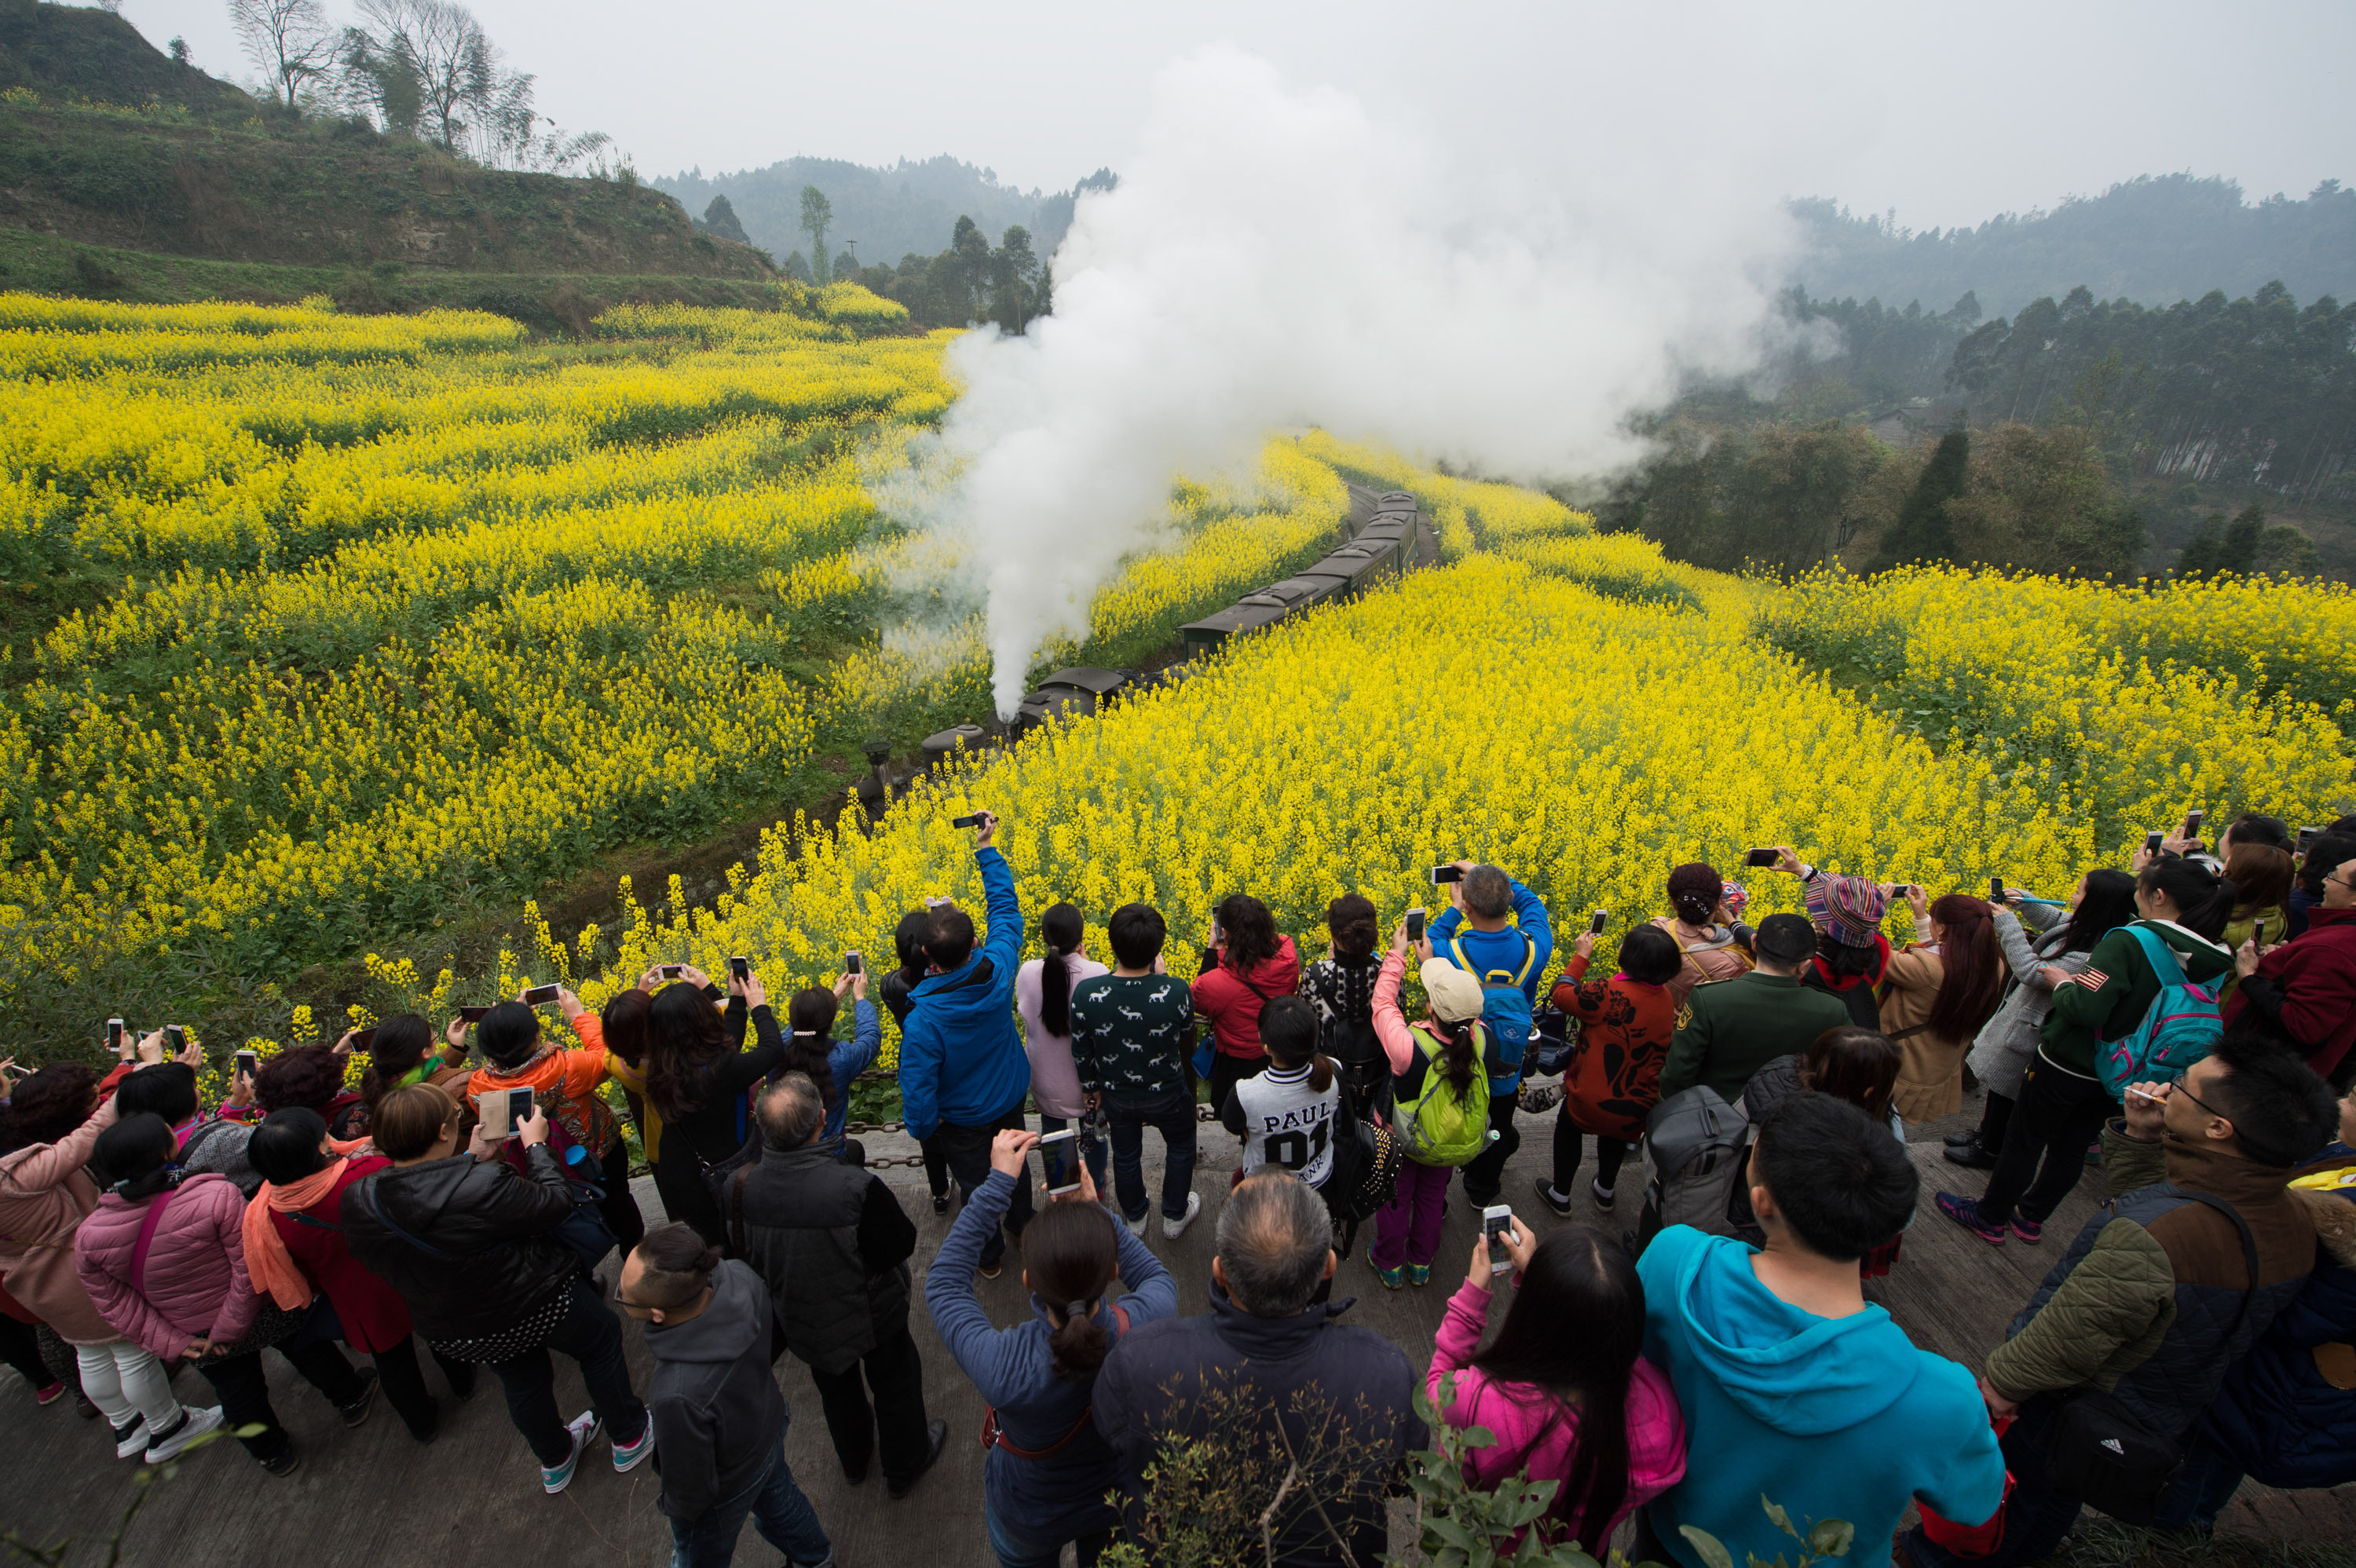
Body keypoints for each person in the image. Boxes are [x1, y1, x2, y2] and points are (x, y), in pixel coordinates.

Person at [1902, 1035, 2340, 1568]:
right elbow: (2171, 1208)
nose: (2168, 1086)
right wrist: (2139, 1137)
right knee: (2061, 1492)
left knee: (1999, 1507)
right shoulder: (2291, 1215)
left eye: (2183, 1085)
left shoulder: (2160, 1237)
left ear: (2218, 1128)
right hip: (2146, 1408)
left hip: (2064, 1401)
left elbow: (2069, 1333)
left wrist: (1997, 1389)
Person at [1640, 1093, 2005, 1568]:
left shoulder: (1675, 1264)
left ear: (1761, 1201)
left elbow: (1631, 1361)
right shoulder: (1942, 1400)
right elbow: (1973, 1508)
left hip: (1672, 1541)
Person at [1093, 1172, 1426, 1566]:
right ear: (1329, 1266)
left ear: (1220, 1273)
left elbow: (1110, 1436)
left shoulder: (1142, 1364)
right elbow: (1407, 1478)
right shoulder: (1385, 1376)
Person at [343, 1083, 653, 1494]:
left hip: (458, 1327)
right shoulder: (485, 1184)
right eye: (455, 1117)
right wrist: (537, 1148)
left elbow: (417, 1220)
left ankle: (556, 1458)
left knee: (522, 1381)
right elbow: (555, 1204)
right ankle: (629, 1435)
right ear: (442, 1133)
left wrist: (471, 1159)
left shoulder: (362, 1199)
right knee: (600, 1340)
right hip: (535, 1302)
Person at [1936, 853, 2239, 1246]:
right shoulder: (2214, 955)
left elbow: (2086, 1008)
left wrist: (2063, 982)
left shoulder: (2130, 940)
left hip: (2070, 1062)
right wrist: (2031, 904)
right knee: (2072, 1146)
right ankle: (2030, 1217)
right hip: (2127, 1070)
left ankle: (1990, 1216)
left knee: (2025, 1140)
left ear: (2159, 896)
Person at [927, 1129, 1177, 1568]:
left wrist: (997, 1185)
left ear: (1029, 1283)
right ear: (1114, 1272)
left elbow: (945, 1284)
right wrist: (1094, 1211)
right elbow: (1157, 1279)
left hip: (1029, 1516)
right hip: (1113, 1502)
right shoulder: (1143, 1328)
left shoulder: (1006, 1370)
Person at [76, 1113, 374, 1476]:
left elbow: (116, 1307)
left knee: (237, 1393)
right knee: (309, 1350)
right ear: (165, 1149)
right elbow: (248, 1265)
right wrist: (229, 1325)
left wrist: (174, 1344)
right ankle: (351, 1399)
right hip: (259, 1310)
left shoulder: (90, 1236)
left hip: (195, 1335)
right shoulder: (213, 1194)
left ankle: (272, 1453)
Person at [2150, 1078, 2356, 1530]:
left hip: (2276, 1366)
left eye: (2353, 1100)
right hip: (2257, 1356)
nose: (2341, 1102)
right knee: (2224, 1440)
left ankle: (2174, 1531)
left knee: (2210, 1447)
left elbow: (2317, 1313)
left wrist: (2245, 1291)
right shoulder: (2343, 1159)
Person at [734, 1074, 946, 1497]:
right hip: (872, 1312)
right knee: (895, 1383)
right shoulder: (855, 1186)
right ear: (823, 1120)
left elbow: (749, 1255)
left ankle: (854, 1460)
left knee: (836, 1390)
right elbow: (901, 1243)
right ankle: (904, 1464)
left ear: (762, 1129)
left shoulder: (741, 1186)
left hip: (802, 1314)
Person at [0, 1056, 219, 1463]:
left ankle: (127, 1424)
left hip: (38, 1283)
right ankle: (170, 1426)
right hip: (81, 1274)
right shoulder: (12, 1182)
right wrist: (135, 1081)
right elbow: (81, 1142)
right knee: (131, 1351)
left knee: (90, 1351)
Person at [1429, 1221, 1686, 1555]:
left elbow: (1437, 1393)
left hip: (1493, 1554)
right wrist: (1546, 1281)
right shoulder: (1660, 1416)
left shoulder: (1484, 1404)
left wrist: (1473, 1296)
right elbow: (1592, 1335)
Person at [244, 1107, 476, 1442]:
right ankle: (464, 1383)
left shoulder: (269, 1216)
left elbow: (303, 1270)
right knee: (439, 1334)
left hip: (356, 1296)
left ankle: (422, 1424)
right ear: (317, 1151)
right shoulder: (368, 1171)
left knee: (393, 1362)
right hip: (408, 1275)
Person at [619, 1224, 834, 1568]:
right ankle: (817, 1560)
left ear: (657, 1315)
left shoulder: (676, 1392)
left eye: (624, 1295)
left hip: (730, 1478)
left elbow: (690, 1488)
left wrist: (680, 1511)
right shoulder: (740, 1276)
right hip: (766, 1425)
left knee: (699, 1556)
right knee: (782, 1504)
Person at [900, 811, 1035, 1278]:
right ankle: (1024, 1229)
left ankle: (990, 1256)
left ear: (925, 958)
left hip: (960, 1121)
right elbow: (1006, 912)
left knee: (976, 1183)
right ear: (975, 941)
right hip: (1008, 1099)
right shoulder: (997, 970)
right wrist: (985, 849)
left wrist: (923, 1129)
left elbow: (917, 1090)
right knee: (1016, 1169)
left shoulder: (923, 1021)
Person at [1947, 870, 2137, 1169]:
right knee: (1998, 1090)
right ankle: (1984, 1135)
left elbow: (2031, 971)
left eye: (2079, 892)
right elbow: (2058, 921)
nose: (2073, 897)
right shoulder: (2092, 928)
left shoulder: (2093, 952)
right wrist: (2027, 902)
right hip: (2024, 1020)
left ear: (2096, 903)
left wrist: (2008, 924)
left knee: (2007, 1093)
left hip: (2032, 1029)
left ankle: (1990, 1150)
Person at [1370, 919, 1508, 1288]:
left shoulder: (1409, 1047)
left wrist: (1398, 956)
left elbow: (1382, 1002)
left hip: (1402, 1140)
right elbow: (1464, 1013)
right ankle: (1420, 1263)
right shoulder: (1485, 1041)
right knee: (1432, 1200)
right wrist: (1430, 964)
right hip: (1449, 1142)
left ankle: (1389, 1263)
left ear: (1430, 1007)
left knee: (1396, 1198)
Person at [467, 988, 645, 1259]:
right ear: (536, 1036)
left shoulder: (478, 1088)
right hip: (592, 1156)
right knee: (618, 1205)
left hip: (535, 1166)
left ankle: (582, 1274)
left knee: (559, 1223)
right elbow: (605, 1057)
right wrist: (579, 1016)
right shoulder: (568, 1066)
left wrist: (508, 1026)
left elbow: (509, 1063)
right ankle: (633, 1256)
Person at [1070, 901, 1201, 1241]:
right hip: (1169, 1092)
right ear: (1157, 950)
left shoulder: (1087, 993)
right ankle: (1174, 1215)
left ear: (1112, 945)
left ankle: (1136, 1217)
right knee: (1182, 1146)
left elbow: (1081, 1048)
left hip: (1118, 1096)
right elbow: (1187, 1039)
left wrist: (1090, 1089)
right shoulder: (1176, 991)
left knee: (1125, 1155)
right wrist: (1164, 978)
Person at [1429, 861, 1555, 1205]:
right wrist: (1501, 881)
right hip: (1507, 1060)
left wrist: (1454, 908)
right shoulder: (1534, 949)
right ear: (1510, 898)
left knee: (1450, 1116)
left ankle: (1437, 1189)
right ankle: (1482, 1190)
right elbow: (1533, 907)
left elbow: (1432, 940)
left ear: (1468, 907)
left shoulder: (1451, 953)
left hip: (1462, 1056)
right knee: (1499, 1125)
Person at [1535, 922, 1681, 1217]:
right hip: (1637, 1099)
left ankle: (1560, 1193)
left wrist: (1581, 957)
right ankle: (1605, 1189)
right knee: (1614, 1138)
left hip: (1590, 1095)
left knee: (1568, 1132)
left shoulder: (1607, 993)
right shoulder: (1666, 998)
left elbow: (1561, 994)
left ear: (1626, 957)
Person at [647, 962, 789, 1245]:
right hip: (720, 1173)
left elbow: (723, 1050)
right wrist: (758, 1006)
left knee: (710, 1239)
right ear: (703, 1020)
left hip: (678, 1171)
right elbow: (772, 1050)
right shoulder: (720, 1071)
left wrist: (736, 999)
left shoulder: (662, 1066)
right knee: (734, 1241)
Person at [1655, 914, 1849, 1105]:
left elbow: (1677, 1073)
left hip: (1716, 1122)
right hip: (1791, 1121)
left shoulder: (1710, 999)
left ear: (1754, 943)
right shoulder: (1832, 1010)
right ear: (1804, 966)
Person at [2227, 831, 2356, 1086]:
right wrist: (2279, 969)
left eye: (2333, 877)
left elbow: (2306, 1025)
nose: (2325, 882)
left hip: (2265, 1077)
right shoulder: (2335, 937)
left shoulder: (2333, 949)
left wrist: (2251, 977)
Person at [1877, 887, 2005, 1122]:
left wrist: (1875, 911)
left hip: (1899, 1072)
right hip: (1935, 1069)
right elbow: (1944, 957)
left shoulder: (1922, 968)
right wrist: (1922, 917)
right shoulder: (1993, 966)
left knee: (1879, 1127)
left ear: (1943, 929)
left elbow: (1871, 951)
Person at [1018, 901, 1110, 1193]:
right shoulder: (1097, 972)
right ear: (1080, 937)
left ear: (1045, 937)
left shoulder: (1028, 971)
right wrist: (1086, 963)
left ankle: (1063, 1187)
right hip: (1089, 1085)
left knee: (1053, 1131)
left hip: (1046, 1081)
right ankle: (1095, 1184)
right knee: (1095, 1134)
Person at [1191, 892, 1302, 1115]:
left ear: (1224, 933)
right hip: (1278, 1056)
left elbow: (1198, 998)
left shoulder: (1220, 983)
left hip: (1237, 1065)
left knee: (1240, 1116)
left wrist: (1213, 950)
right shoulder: (1289, 962)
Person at [1220, 996, 1344, 1186]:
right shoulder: (1334, 1072)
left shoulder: (1246, 1094)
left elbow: (1232, 1124)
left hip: (1266, 1189)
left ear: (1266, 1047)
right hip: (1320, 1181)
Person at [879, 909, 953, 1214]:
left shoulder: (890, 985)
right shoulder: (948, 985)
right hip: (951, 1067)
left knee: (930, 1136)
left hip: (917, 1065)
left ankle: (939, 1193)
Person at [1301, 893, 1391, 1118]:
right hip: (1377, 1077)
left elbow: (1306, 1025)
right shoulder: (1388, 972)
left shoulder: (1315, 974)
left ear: (1333, 936)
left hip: (1329, 1078)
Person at [114, 1058, 262, 1196]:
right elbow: (277, 1138)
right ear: (184, 1102)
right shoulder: (220, 1142)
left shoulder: (144, 1148)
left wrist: (238, 1100)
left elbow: (201, 1132)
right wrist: (262, 1099)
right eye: (194, 1086)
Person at [782, 973, 883, 1158]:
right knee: (855, 1152)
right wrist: (860, 999)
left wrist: (832, 997)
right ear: (830, 1025)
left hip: (783, 1154)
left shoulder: (776, 1052)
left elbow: (800, 1028)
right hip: (829, 1154)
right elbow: (870, 1038)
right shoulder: (840, 1060)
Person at [1652, 863, 1754, 1011]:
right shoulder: (1732, 964)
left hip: (1661, 1024)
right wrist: (1732, 922)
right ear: (1719, 904)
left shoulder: (1656, 929)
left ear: (1673, 904)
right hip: (1696, 1031)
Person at [2215, 839, 2296, 1003]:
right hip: (2239, 1000)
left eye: (2226, 867)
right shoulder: (2278, 916)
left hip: (2214, 1005)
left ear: (2240, 879)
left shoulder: (2223, 926)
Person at [357, 1012, 473, 1126]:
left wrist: (456, 1048)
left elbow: (432, 1077)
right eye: (435, 1037)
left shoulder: (384, 1086)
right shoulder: (463, 1086)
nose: (436, 1040)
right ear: (425, 1052)